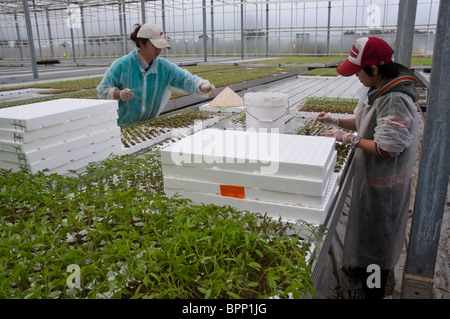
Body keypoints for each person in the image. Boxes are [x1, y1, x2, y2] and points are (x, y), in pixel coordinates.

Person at [314, 37, 419, 299]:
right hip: (371, 180)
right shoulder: (376, 89)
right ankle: (364, 273)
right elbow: (363, 122)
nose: (356, 76)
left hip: (385, 188)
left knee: (377, 246)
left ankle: (373, 290)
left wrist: (346, 138)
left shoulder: (395, 100)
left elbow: (387, 148)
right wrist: (334, 119)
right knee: (366, 236)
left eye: (358, 71)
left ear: (373, 69)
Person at [97, 23, 216, 125]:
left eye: (161, 46)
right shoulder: (122, 65)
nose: (158, 50)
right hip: (123, 128)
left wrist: (202, 86)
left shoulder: (164, 67)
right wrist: (119, 94)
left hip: (149, 126)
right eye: (155, 45)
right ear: (141, 43)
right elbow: (103, 91)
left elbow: (185, 79)